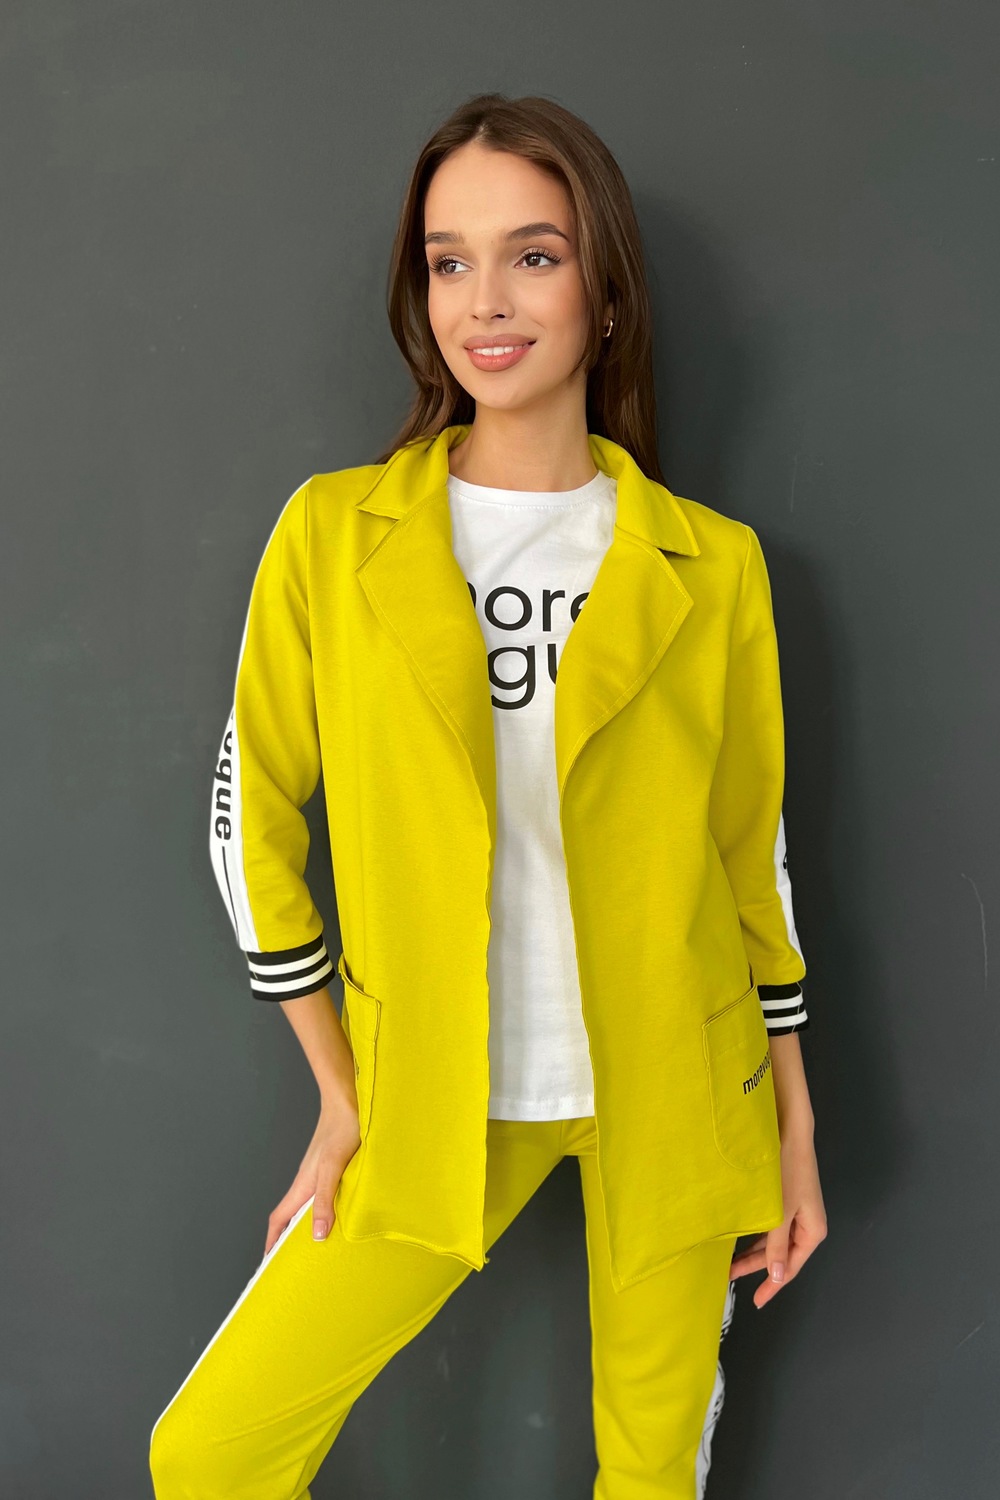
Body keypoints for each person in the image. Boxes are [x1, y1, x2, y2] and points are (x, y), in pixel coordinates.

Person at [149, 91, 827, 1499]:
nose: (486, 301)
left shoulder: (712, 565)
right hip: (432, 1092)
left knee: (653, 1479)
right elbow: (246, 821)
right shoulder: (334, 536)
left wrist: (794, 1127)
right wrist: (340, 1088)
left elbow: (748, 852)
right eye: (449, 261)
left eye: (534, 254)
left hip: (682, 1087)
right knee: (210, 1455)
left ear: (605, 290)